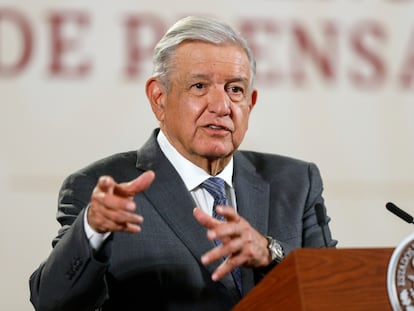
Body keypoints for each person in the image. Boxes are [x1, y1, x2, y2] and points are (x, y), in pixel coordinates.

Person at [29, 15, 337, 311]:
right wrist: (92, 229)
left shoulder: (297, 183)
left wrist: (270, 254)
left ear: (250, 103)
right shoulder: (103, 190)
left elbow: (335, 297)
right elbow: (52, 303)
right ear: (158, 98)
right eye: (199, 86)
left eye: (235, 89)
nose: (221, 106)